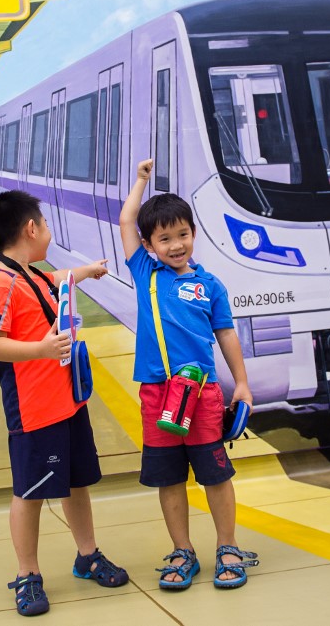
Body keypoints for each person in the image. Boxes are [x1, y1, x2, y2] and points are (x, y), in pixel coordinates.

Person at [0, 190, 129, 617]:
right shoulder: (0, 284)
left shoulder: (30, 274)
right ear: (31, 229)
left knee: (76, 482)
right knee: (29, 492)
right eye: (44, 224)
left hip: (68, 404)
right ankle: (28, 575)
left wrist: (88, 271)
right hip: (34, 410)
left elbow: (57, 278)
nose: (48, 230)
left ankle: (88, 555)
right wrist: (42, 349)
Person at [118, 159, 259, 590]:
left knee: (215, 474)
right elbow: (126, 218)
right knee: (169, 479)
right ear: (149, 244)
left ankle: (228, 547)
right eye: (165, 239)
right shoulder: (146, 272)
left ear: (193, 234)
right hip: (157, 395)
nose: (176, 245)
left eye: (183, 235)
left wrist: (244, 384)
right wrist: (141, 181)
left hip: (202, 394)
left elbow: (227, 336)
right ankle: (183, 552)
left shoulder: (210, 285)